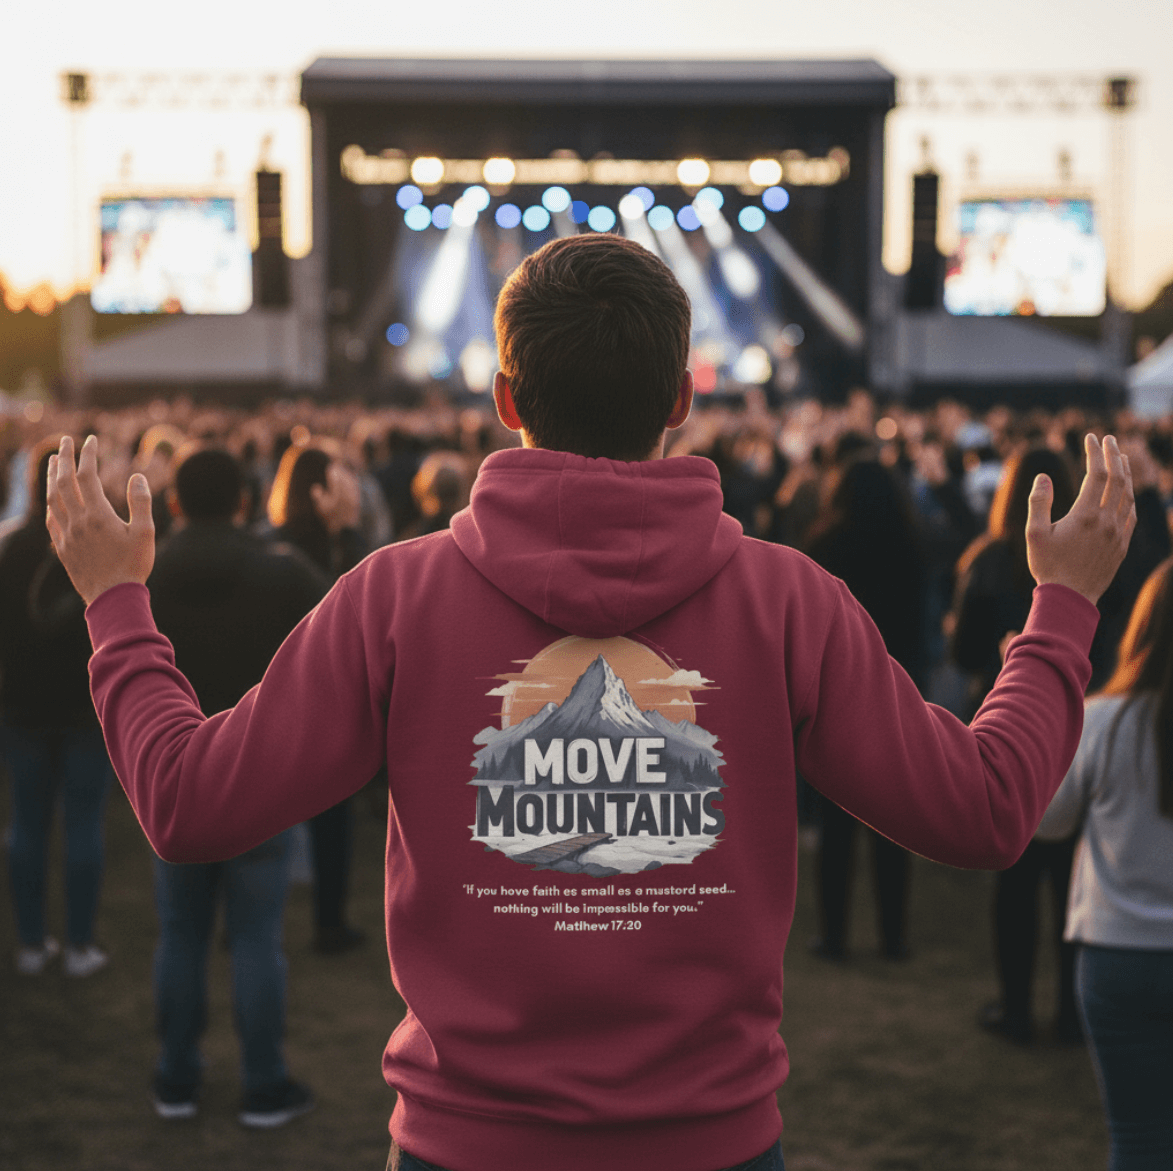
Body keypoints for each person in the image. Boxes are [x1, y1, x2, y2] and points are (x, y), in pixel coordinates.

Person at [46, 234, 1135, 1171]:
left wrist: (117, 604)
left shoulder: (395, 597)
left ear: (506, 398)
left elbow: (188, 805)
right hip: (712, 1142)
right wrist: (1064, 612)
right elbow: (988, 811)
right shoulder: (787, 603)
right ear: (682, 396)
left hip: (462, 1145)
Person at [145, 445, 327, 1125]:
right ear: (245, 502)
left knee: (180, 933)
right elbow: (342, 631)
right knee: (256, 938)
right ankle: (263, 1082)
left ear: (177, 502)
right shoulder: (278, 573)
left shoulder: (150, 573)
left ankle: (176, 1077)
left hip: (174, 773)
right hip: (260, 775)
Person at [1036, 557, 1173, 1169]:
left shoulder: (1103, 721)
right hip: (1119, 953)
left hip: (1116, 952)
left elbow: (1047, 822)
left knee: (1138, 1137)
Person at [950, 445, 1084, 1044]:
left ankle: (1018, 1007)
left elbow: (961, 654)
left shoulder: (987, 561)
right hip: (1079, 721)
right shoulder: (1091, 567)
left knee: (1017, 877)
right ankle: (1071, 1012)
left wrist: (1005, 656)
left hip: (1002, 722)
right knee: (1072, 877)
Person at [805, 454, 928, 961]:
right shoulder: (910, 548)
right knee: (893, 822)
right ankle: (893, 936)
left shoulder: (824, 546)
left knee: (835, 826)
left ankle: (834, 936)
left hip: (835, 696)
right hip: (896, 693)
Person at [1, 436, 113, 978]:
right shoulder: (93, 548)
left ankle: (29, 942)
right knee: (83, 822)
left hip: (22, 704)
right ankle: (79, 944)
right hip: (81, 705)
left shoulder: (8, 546)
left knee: (27, 822)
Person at [267, 441, 369, 953]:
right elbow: (355, 608)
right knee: (332, 818)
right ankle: (329, 922)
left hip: (278, 699)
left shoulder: (273, 540)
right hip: (325, 702)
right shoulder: (321, 549)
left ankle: (248, 914)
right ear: (319, 491)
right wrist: (348, 528)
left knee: (267, 813)